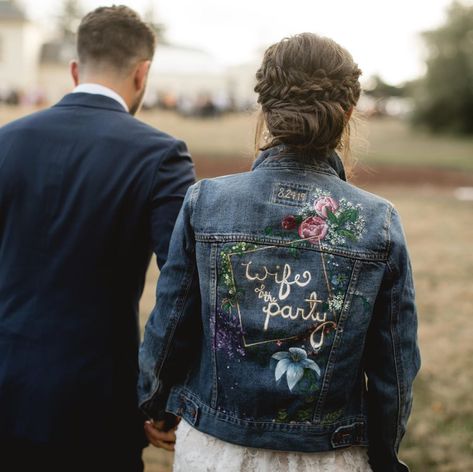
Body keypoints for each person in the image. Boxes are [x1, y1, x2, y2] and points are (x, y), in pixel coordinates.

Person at [138, 33, 420, 472]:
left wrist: (154, 401)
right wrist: (385, 454)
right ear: (348, 113)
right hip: (329, 455)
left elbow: (171, 325)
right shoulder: (376, 221)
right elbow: (394, 368)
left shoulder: (205, 201)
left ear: (266, 110)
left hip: (214, 448)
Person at [0, 6, 195, 471]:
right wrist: (164, 395)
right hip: (97, 398)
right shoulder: (161, 156)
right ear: (142, 72)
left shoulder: (6, 142)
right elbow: (184, 287)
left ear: (74, 69)